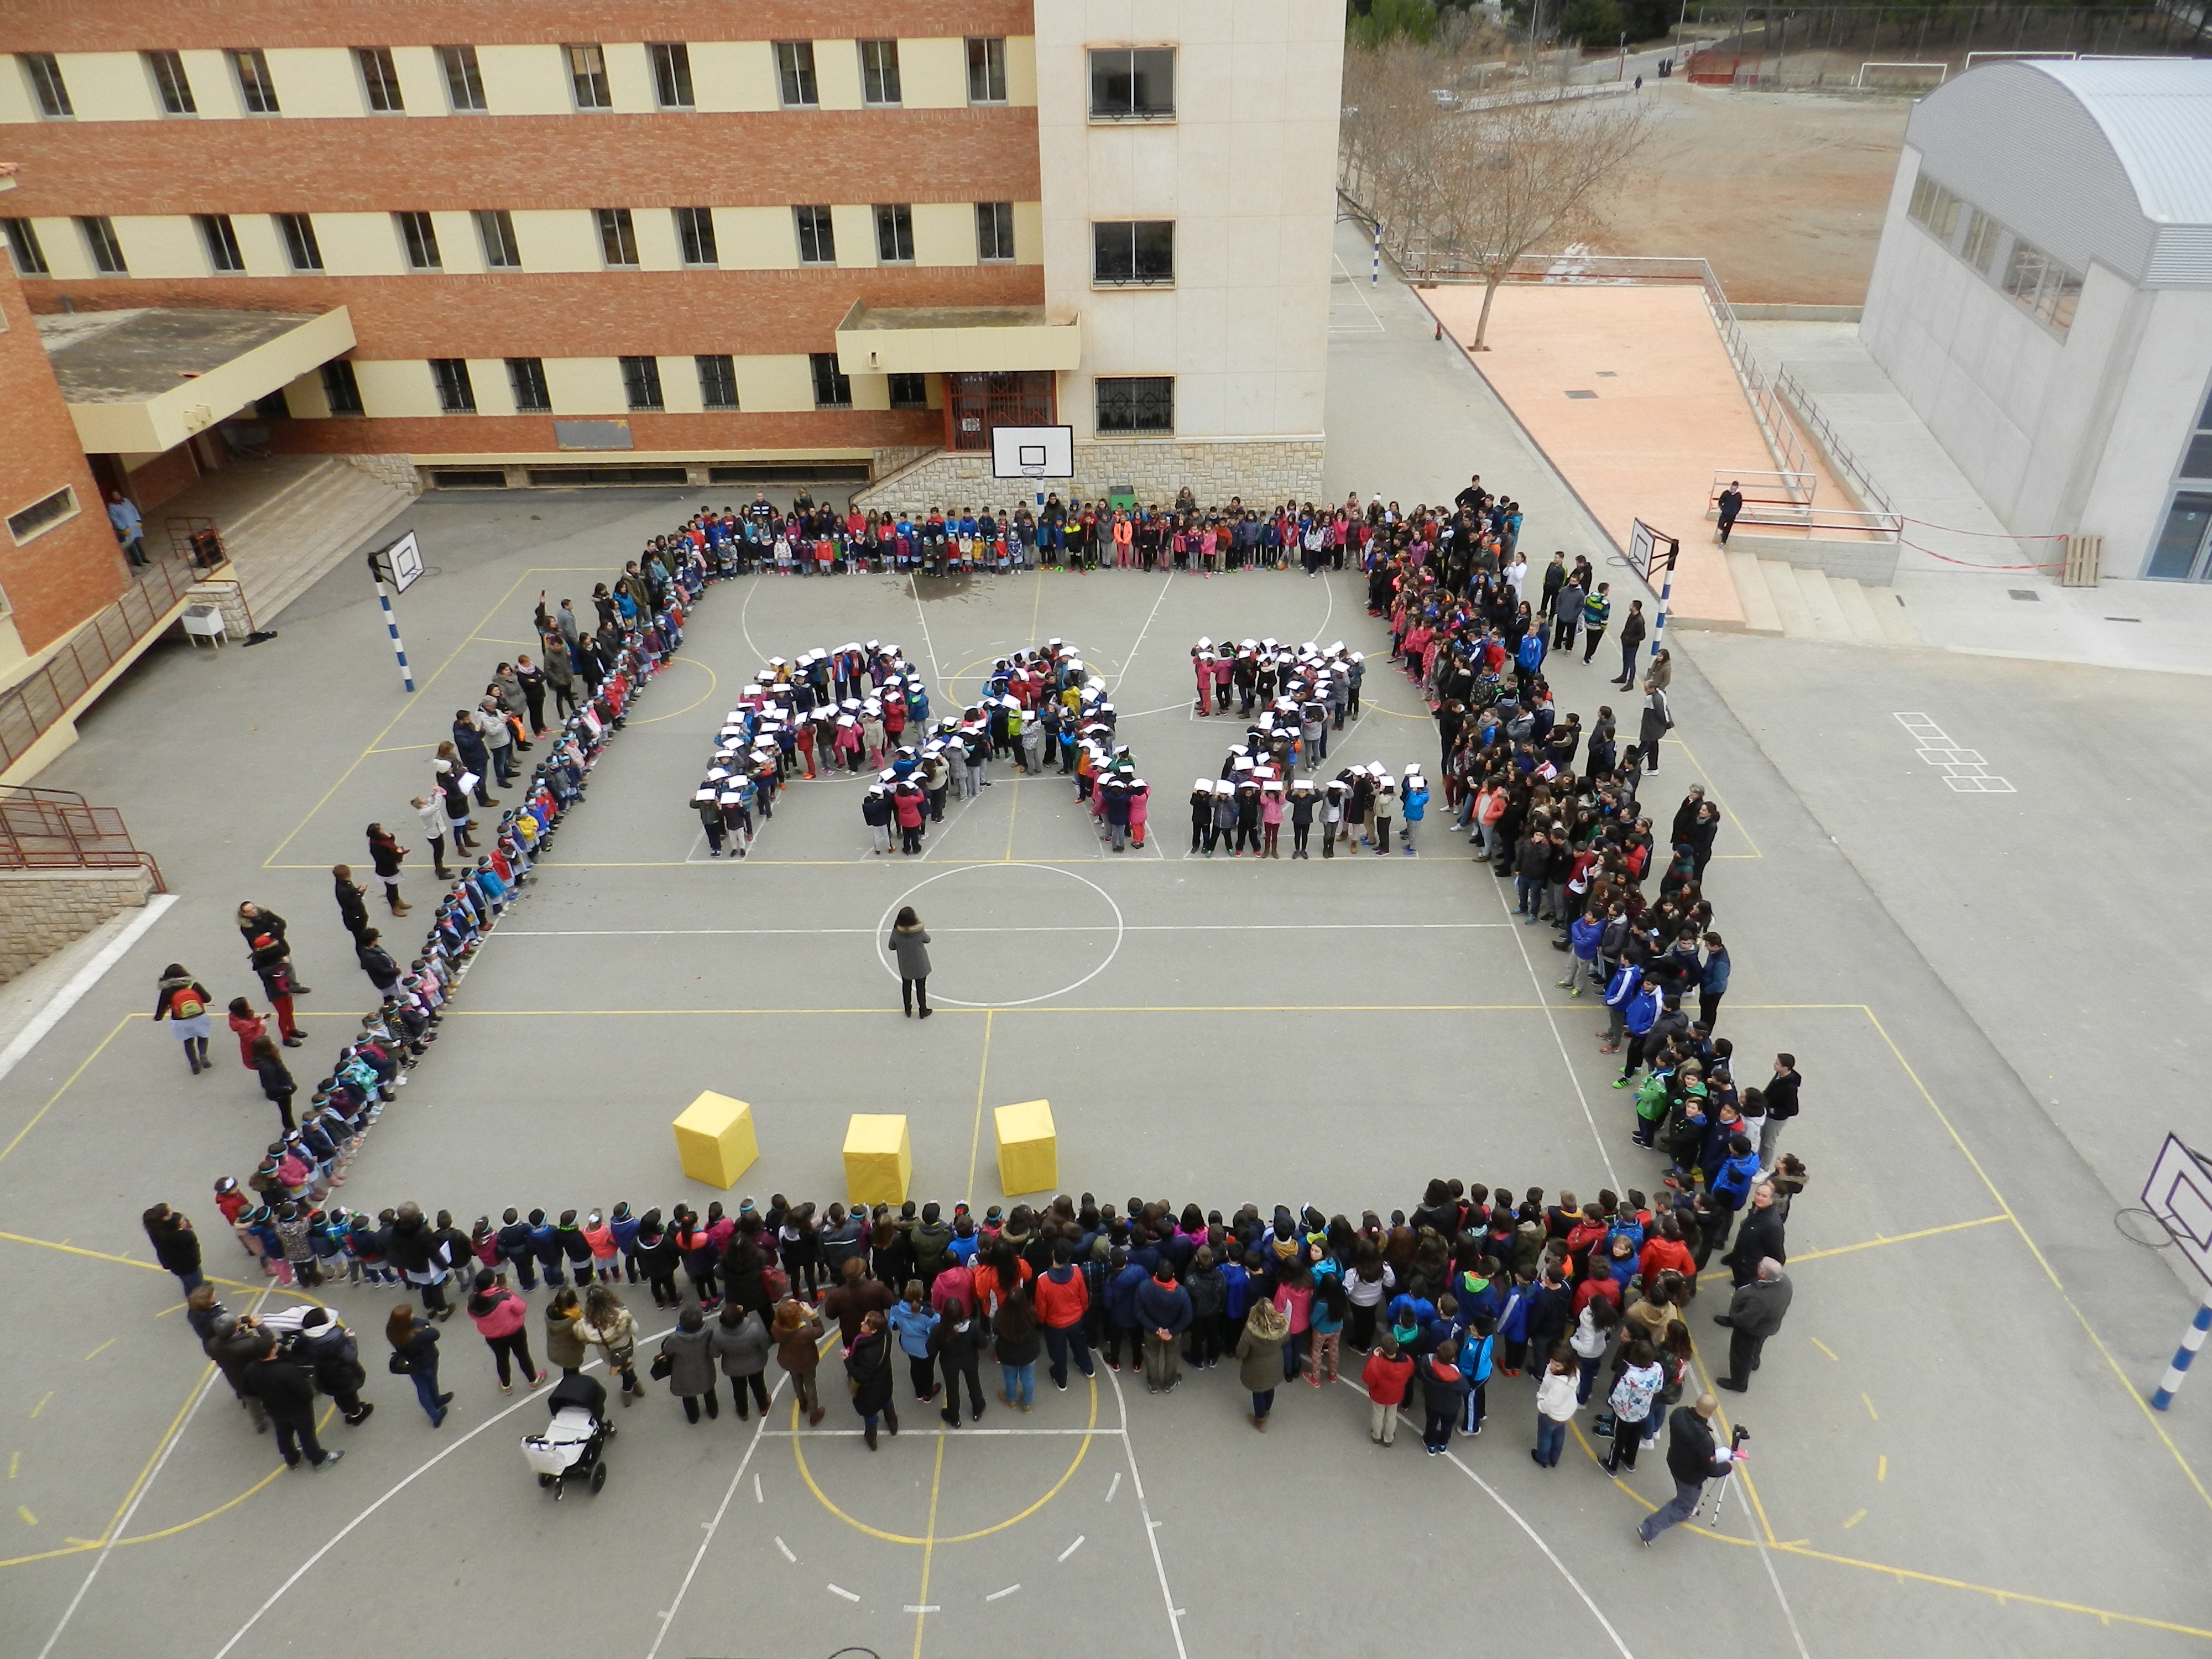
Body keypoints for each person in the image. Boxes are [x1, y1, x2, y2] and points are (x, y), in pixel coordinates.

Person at [1639, 1394, 1742, 1545]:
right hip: (1690, 1476)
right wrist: (1727, 1467)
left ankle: (1686, 1510)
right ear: (1711, 1413)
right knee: (1684, 1503)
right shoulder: (1705, 1441)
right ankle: (1648, 1528)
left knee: (1685, 1495)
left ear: (1696, 1402)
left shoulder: (1679, 1414)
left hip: (1674, 1460)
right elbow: (1711, 1469)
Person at [242, 1339, 344, 1470]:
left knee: (283, 1433)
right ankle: (318, 1459)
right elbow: (304, 1391)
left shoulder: (250, 1370)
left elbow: (249, 1391)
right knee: (306, 1434)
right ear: (272, 1351)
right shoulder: (286, 1369)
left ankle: (292, 1458)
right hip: (297, 1408)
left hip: (273, 1408)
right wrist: (308, 1398)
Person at [1717, 1258, 1792, 1391]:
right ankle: (1754, 1361)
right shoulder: (1786, 1282)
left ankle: (1739, 1383)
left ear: (1763, 1275)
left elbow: (1746, 1320)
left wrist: (1734, 1316)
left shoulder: (1760, 1298)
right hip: (1769, 1325)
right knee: (1758, 1344)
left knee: (1741, 1354)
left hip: (1751, 1330)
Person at [467, 1268, 546, 1392]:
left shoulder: (473, 1301)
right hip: (514, 1332)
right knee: (523, 1355)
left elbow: (472, 1316)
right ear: (492, 1283)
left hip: (492, 1336)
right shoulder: (505, 1297)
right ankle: (533, 1380)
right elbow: (521, 1308)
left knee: (502, 1358)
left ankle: (506, 1385)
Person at [295, 1307, 374, 1425]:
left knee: (338, 1395)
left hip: (324, 1375)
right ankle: (356, 1414)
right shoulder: (335, 1339)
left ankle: (346, 1410)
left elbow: (301, 1356)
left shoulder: (305, 1339)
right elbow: (351, 1356)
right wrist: (351, 1338)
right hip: (343, 1375)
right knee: (350, 1395)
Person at [387, 1302, 453, 1426]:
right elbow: (435, 1333)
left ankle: (435, 1408)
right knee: (431, 1382)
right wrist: (424, 1327)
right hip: (428, 1361)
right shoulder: (418, 1336)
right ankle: (437, 1408)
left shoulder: (393, 1331)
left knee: (422, 1387)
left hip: (412, 1365)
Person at [930, 1296, 987, 1426]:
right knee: (974, 1383)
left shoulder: (939, 1329)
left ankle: (954, 1417)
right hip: (970, 1360)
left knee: (952, 1389)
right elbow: (983, 1344)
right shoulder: (972, 1326)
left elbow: (931, 1349)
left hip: (949, 1362)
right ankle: (978, 1409)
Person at [712, 1299, 774, 1419]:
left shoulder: (718, 1333)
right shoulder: (754, 1329)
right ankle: (763, 1407)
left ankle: (743, 1412)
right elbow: (766, 1344)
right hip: (756, 1364)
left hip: (733, 1368)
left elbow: (715, 1353)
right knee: (759, 1385)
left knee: (738, 1388)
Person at [1235, 1296, 1289, 1432]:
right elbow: (1286, 1340)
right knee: (1270, 1388)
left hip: (1256, 1367)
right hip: (1275, 1363)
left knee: (1258, 1392)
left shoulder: (1250, 1332)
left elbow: (1241, 1352)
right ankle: (1266, 1410)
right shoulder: (1281, 1326)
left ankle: (1259, 1420)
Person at [1136, 1265, 1193, 1395]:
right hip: (1173, 1331)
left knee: (1152, 1355)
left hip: (1152, 1330)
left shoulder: (1144, 1287)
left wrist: (1155, 1328)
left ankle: (1153, 1384)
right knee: (1172, 1356)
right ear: (1173, 1275)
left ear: (1156, 1273)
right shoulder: (1182, 1293)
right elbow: (1188, 1316)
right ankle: (1169, 1383)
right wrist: (1171, 1331)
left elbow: (1139, 1312)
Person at [772, 1297, 828, 1426]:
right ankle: (814, 1413)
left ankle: (802, 1402)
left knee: (796, 1379)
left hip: (789, 1360)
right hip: (806, 1361)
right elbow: (820, 1331)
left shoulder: (776, 1326)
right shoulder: (805, 1332)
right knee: (810, 1384)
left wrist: (788, 1308)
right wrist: (812, 1315)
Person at [847, 1308, 898, 1448]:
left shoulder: (868, 1352)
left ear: (874, 1331)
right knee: (887, 1401)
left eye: (866, 1323)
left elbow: (860, 1376)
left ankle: (872, 1438)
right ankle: (893, 1424)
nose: (862, 1323)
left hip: (870, 1390)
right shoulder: (886, 1334)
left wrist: (847, 1360)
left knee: (870, 1415)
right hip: (885, 1379)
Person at [660, 1305, 719, 1422]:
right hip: (705, 1367)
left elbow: (667, 1350)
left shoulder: (675, 1339)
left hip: (684, 1371)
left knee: (688, 1396)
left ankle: (693, 1417)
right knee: (709, 1390)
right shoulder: (709, 1331)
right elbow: (713, 1349)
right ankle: (713, 1411)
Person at [155, 964, 214, 1075]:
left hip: (180, 1019)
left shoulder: (167, 990)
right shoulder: (194, 985)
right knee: (203, 1036)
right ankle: (203, 1055)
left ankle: (194, 1064)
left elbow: (162, 1006)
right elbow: (208, 999)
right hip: (199, 1016)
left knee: (188, 1041)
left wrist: (158, 1017)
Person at [994, 1285, 1041, 1412]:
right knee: (1028, 1378)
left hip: (1007, 1354)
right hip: (1029, 1352)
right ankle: (1027, 1403)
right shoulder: (1031, 1312)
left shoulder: (1001, 1315)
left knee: (1010, 1377)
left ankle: (1011, 1399)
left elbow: (995, 1330)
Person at [1362, 1333, 1413, 1447]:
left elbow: (1368, 1379)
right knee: (1392, 1416)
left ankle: (1376, 1436)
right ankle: (1388, 1438)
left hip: (1379, 1395)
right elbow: (1410, 1373)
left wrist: (1375, 1357)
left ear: (1382, 1350)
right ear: (1397, 1345)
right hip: (1396, 1395)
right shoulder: (1407, 1361)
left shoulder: (1375, 1363)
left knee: (1378, 1415)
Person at [1532, 1345, 1578, 1468]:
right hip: (1566, 1412)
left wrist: (1540, 1403)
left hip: (1552, 1414)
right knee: (1559, 1433)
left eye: (1557, 1365)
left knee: (1545, 1436)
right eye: (1552, 1362)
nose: (1552, 1366)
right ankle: (1554, 1458)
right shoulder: (1574, 1373)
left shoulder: (1558, 1385)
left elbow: (1549, 1405)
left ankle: (1542, 1458)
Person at [142, 1203, 204, 1294]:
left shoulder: (156, 1231)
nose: (173, 1213)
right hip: (187, 1265)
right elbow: (191, 1240)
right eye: (170, 1212)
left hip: (175, 1265)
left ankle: (192, 1291)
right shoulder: (179, 1237)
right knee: (197, 1287)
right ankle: (198, 1302)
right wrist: (186, 1230)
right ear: (165, 1218)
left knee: (187, 1282)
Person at [888, 906, 932, 1018]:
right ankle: (923, 1010)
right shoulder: (919, 932)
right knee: (921, 987)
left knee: (906, 986)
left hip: (906, 964)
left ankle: (908, 1009)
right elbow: (928, 939)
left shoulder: (897, 932)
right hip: (920, 964)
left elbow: (891, 946)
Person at [1760, 1053, 1801, 1171]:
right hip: (1767, 1111)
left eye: (1777, 1064)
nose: (1774, 1064)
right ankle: (1759, 1160)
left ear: (1785, 1068)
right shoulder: (1779, 1075)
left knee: (1768, 1142)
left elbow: (1793, 1110)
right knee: (1762, 1137)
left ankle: (1765, 1168)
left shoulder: (1790, 1087)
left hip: (1776, 1119)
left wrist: (1774, 1111)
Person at [251, 1035, 298, 1131]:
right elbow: (271, 1086)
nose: (274, 1043)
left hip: (284, 1088)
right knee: (286, 1113)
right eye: (271, 1043)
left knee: (287, 1112)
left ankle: (292, 1129)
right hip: (281, 1093)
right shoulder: (267, 1066)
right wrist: (287, 1088)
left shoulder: (270, 1058)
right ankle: (291, 1130)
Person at [366, 825, 411, 915]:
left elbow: (391, 841)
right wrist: (397, 854)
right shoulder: (376, 846)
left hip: (391, 868)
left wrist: (390, 836)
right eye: (381, 830)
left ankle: (398, 901)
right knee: (391, 889)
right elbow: (384, 860)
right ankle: (394, 907)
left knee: (394, 887)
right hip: (386, 871)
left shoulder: (383, 840)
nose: (383, 830)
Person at [107, 488, 147, 567]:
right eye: (114, 495)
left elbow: (134, 510)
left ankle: (143, 558)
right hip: (126, 528)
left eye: (117, 494)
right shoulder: (112, 507)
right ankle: (137, 562)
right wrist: (123, 528)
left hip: (134, 525)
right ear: (112, 497)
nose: (117, 496)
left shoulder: (126, 501)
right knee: (131, 546)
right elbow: (115, 518)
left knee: (138, 543)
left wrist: (138, 520)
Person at [332, 864, 371, 943]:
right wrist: (360, 892)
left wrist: (358, 891)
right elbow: (352, 904)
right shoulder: (344, 889)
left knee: (361, 935)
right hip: (355, 918)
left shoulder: (344, 884)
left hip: (354, 916)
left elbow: (352, 896)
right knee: (360, 939)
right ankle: (364, 952)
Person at [1614, 600, 1648, 688]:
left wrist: (1630, 640)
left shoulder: (1639, 621)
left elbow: (1642, 636)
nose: (1629, 606)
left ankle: (1630, 683)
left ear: (1635, 608)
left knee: (1631, 662)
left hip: (1632, 645)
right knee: (1625, 660)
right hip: (1626, 642)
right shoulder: (1632, 616)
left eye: (1631, 605)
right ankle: (1623, 677)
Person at [1716, 481, 1744, 545]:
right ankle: (1724, 531)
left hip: (1732, 515)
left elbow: (1740, 505)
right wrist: (1723, 508)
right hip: (1725, 514)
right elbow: (1720, 502)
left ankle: (1723, 542)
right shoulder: (1726, 493)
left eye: (1734, 489)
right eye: (1732, 488)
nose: (1733, 490)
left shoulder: (1738, 496)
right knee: (1720, 525)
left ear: (1737, 488)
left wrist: (1736, 512)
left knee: (1728, 528)